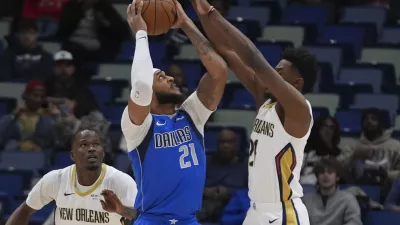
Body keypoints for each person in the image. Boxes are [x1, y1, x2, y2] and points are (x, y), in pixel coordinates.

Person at [190, 0, 318, 224]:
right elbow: (225, 50)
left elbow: (255, 60)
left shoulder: (300, 110)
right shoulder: (265, 101)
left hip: (283, 213)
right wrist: (193, 17)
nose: (271, 74)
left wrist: (212, 13)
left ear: (297, 84)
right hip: (256, 211)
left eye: (278, 72)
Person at [117, 0, 227, 224]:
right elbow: (141, 86)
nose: (170, 78)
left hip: (189, 220)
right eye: (161, 77)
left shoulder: (191, 114)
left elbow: (219, 71)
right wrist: (141, 33)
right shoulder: (138, 126)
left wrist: (186, 23)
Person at [5, 128, 137, 225]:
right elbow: (25, 210)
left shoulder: (121, 181)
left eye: (96, 144)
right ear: (73, 155)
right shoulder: (56, 179)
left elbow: (146, 218)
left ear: (102, 153)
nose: (91, 149)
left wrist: (122, 210)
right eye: (84, 145)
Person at [302, 158, 362, 225]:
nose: (326, 175)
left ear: (337, 177)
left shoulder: (348, 199)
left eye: (330, 172)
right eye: (322, 172)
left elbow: (354, 222)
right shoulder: (306, 200)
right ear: (317, 177)